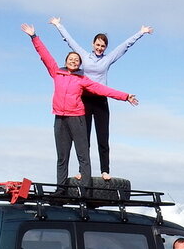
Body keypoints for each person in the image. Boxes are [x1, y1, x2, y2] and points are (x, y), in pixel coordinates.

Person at [21, 23, 139, 186]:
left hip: (83, 111)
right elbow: (46, 55)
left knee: (90, 148)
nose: (74, 61)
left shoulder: (83, 80)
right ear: (67, 61)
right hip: (63, 115)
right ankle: (61, 188)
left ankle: (91, 182)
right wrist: (35, 36)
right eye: (71, 59)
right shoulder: (57, 72)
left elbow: (103, 88)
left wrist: (125, 96)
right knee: (64, 155)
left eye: (76, 60)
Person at [49, 17, 153, 180]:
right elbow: (70, 41)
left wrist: (141, 33)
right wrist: (58, 25)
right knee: (83, 138)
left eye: (102, 46)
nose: (99, 48)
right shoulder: (83, 55)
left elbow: (124, 46)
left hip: (101, 101)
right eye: (97, 45)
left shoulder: (108, 58)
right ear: (93, 44)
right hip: (83, 100)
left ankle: (105, 170)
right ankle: (82, 171)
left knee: (103, 137)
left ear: (105, 48)